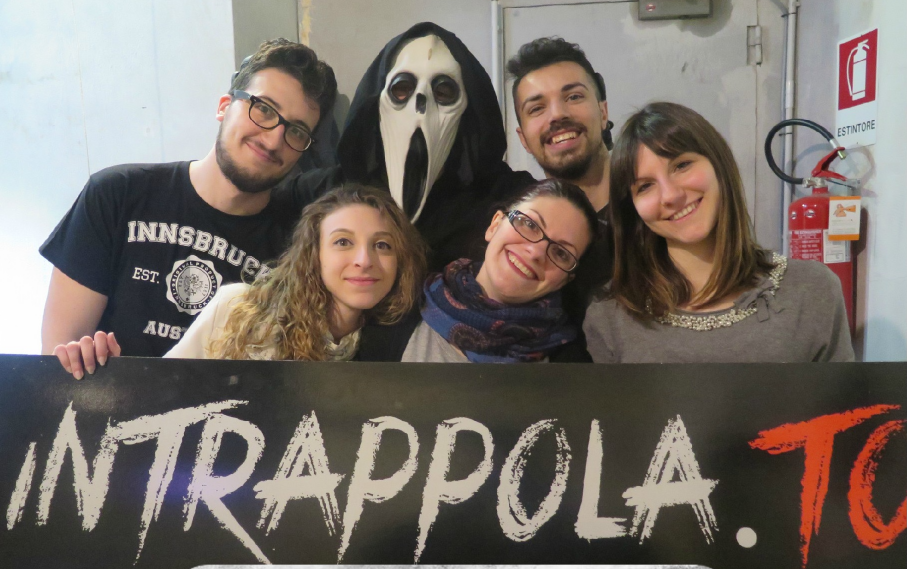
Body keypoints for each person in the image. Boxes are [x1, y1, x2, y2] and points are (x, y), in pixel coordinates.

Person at [42, 38, 338, 374]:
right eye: (264, 109)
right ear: (224, 106)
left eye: (296, 131)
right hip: (110, 405)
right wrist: (85, 363)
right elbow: (55, 363)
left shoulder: (297, 248)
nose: (273, 140)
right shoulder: (117, 195)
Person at [583, 102, 854, 363]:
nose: (671, 195)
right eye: (645, 186)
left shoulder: (811, 290)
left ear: (718, 163)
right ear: (631, 208)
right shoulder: (611, 317)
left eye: (681, 165)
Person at [286, 22, 535, 272]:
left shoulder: (508, 198)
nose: (420, 110)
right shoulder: (320, 192)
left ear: (465, 110)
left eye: (443, 92)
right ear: (378, 102)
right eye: (402, 89)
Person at [164, 184, 426, 361]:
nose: (364, 260)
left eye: (382, 245)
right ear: (314, 254)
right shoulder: (238, 308)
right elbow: (162, 393)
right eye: (343, 242)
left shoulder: (401, 346)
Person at [357, 179, 601, 363]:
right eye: (529, 224)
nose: (536, 252)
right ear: (495, 225)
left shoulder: (570, 366)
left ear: (564, 280)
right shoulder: (400, 314)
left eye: (561, 253)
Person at [506, 37, 615, 312]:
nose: (557, 115)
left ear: (603, 112)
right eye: (536, 108)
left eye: (573, 97)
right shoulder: (518, 234)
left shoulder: (656, 211)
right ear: (523, 139)